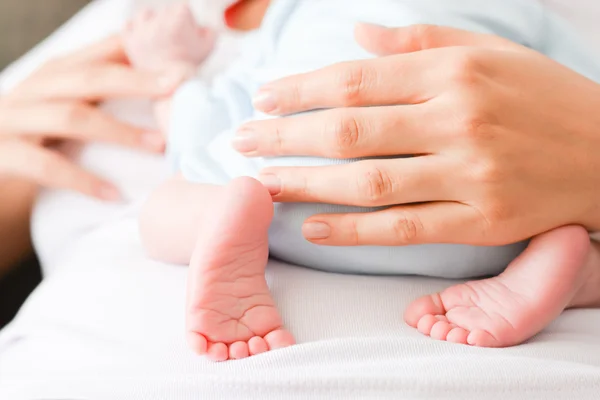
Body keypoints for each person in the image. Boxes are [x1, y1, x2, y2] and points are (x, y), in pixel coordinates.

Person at [124, 0, 600, 362]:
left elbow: (227, 106)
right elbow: (574, 98)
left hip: (285, 191)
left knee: (165, 207)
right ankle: (566, 261)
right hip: (481, 215)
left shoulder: (291, 13)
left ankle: (220, 213)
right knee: (568, 211)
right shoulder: (526, 9)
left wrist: (175, 74)